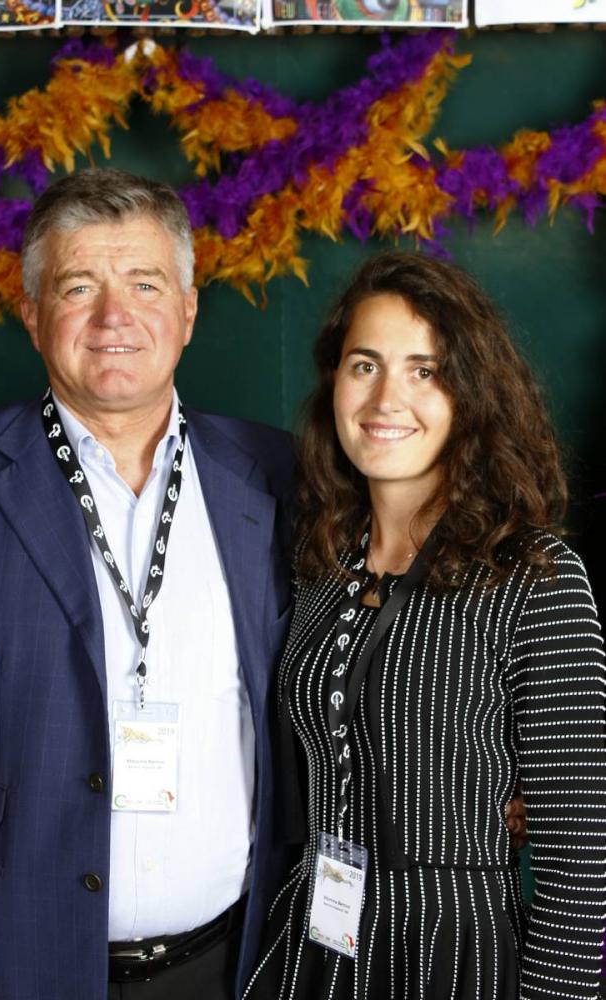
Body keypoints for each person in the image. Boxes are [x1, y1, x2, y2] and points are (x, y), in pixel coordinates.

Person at [0, 168, 295, 1000]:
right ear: (32, 314)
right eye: (78, 287)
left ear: (188, 311)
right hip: (5, 962)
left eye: (144, 283)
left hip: (232, 963)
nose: (114, 317)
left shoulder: (279, 476)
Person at [243, 252, 606, 1000]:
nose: (386, 399)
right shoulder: (317, 563)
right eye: (364, 365)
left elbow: (579, 856)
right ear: (333, 382)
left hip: (451, 947)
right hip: (314, 939)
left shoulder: (531, 576)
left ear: (470, 394)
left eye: (425, 372)